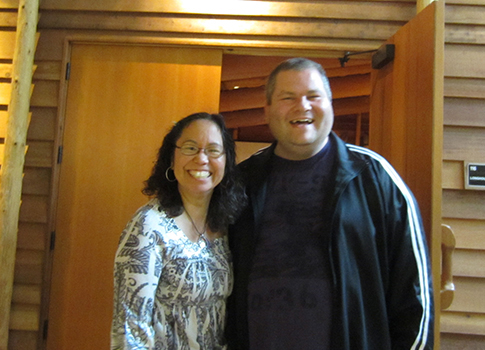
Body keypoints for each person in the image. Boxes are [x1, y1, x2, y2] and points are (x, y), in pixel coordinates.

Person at [226, 58, 434, 349]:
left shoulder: (376, 178)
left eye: (313, 96)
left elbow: (415, 295)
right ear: (268, 110)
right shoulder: (241, 181)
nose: (303, 106)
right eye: (288, 98)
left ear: (331, 105)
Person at [111, 112, 246, 350]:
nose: (202, 159)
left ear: (226, 161)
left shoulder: (226, 226)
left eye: (213, 150)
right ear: (171, 160)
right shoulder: (149, 227)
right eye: (190, 148)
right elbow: (130, 330)